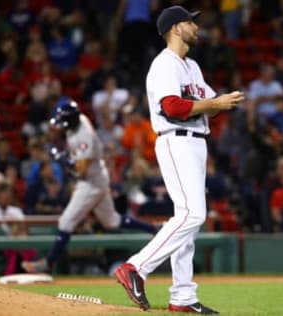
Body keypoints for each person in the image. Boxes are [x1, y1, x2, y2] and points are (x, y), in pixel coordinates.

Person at [113, 5, 244, 314]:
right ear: (174, 28)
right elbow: (171, 106)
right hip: (175, 140)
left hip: (196, 142)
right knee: (194, 215)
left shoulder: (192, 66)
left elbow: (211, 106)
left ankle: (182, 296)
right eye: (189, 22)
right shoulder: (164, 65)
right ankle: (135, 267)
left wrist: (215, 103)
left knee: (186, 220)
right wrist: (212, 103)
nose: (195, 27)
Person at [21, 97, 159, 274]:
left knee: (66, 221)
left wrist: (61, 159)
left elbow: (81, 171)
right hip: (97, 175)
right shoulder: (79, 120)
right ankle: (154, 229)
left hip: (91, 182)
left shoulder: (83, 136)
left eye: (62, 121)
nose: (60, 125)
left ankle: (48, 263)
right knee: (112, 221)